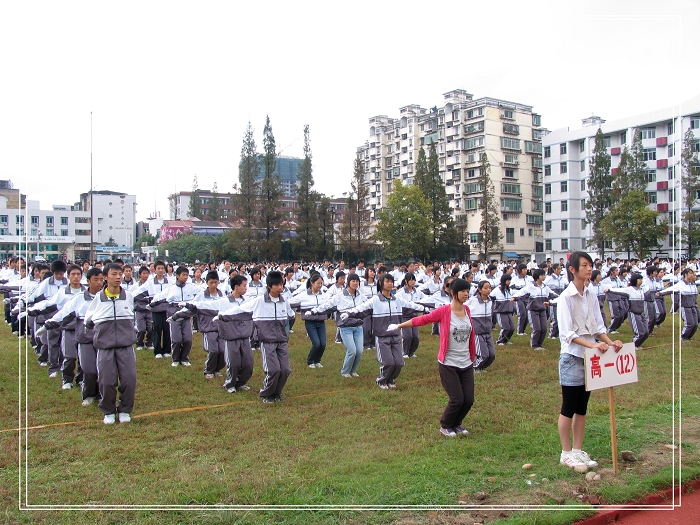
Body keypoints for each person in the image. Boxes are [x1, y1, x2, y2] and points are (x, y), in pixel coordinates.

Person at [556, 252, 622, 470]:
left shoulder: (591, 294)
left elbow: (597, 327)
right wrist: (593, 345)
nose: (589, 269)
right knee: (568, 406)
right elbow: (567, 334)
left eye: (590, 265)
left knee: (582, 407)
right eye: (584, 265)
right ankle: (566, 453)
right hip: (572, 357)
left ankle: (577, 450)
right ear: (573, 269)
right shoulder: (566, 297)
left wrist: (610, 343)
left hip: (589, 358)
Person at [389, 278, 476, 437]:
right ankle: (446, 425)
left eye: (467, 291)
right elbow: (423, 319)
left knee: (468, 399)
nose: (466, 294)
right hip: (449, 363)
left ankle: (457, 424)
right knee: (457, 399)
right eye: (463, 291)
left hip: (466, 362)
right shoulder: (444, 311)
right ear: (453, 293)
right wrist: (399, 326)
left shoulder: (467, 310)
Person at [215, 270, 294, 403]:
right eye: (277, 285)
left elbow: (291, 314)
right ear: (269, 286)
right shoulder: (259, 301)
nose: (280, 288)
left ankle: (277, 393)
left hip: (282, 341)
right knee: (273, 370)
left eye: (282, 284)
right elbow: (241, 309)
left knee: (285, 370)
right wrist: (222, 316)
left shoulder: (284, 300)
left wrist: (287, 329)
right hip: (267, 342)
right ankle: (266, 394)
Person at [341, 273, 429, 390]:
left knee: (399, 363)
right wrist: (348, 313)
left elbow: (411, 305)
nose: (390, 284)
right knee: (388, 362)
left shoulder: (397, 299)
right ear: (381, 283)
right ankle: (382, 380)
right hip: (382, 337)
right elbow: (361, 308)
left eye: (391, 282)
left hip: (396, 336)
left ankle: (390, 379)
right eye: (387, 281)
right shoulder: (375, 300)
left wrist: (425, 309)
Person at [85, 264, 137, 425]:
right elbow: (88, 320)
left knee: (129, 379)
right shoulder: (98, 298)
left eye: (120, 274)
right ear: (105, 277)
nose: (118, 277)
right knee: (106, 380)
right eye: (114, 274)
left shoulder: (128, 296)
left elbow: (132, 316)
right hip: (105, 346)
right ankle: (108, 411)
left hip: (126, 345)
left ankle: (125, 410)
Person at [306, 273, 365, 378]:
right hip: (345, 327)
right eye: (353, 281)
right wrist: (314, 311)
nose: (355, 283)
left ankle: (353, 371)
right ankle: (345, 372)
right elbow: (327, 305)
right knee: (352, 351)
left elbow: (368, 305)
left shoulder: (361, 295)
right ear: (348, 282)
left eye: (357, 281)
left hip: (358, 327)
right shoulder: (340, 296)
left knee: (359, 351)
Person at [512, 269, 559, 350]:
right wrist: (514, 298)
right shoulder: (531, 287)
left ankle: (539, 344)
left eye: (544, 275)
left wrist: (560, 298)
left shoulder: (545, 287)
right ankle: (534, 345)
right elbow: (521, 293)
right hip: (533, 311)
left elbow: (554, 295)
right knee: (537, 328)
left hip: (543, 310)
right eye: (542, 275)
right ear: (537, 277)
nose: (544, 277)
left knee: (544, 328)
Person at [289, 274, 327, 369]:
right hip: (310, 323)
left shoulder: (323, 295)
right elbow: (290, 302)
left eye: (321, 283)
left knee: (323, 344)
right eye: (318, 283)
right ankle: (310, 361)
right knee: (316, 343)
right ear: (312, 283)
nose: (320, 285)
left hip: (321, 322)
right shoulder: (304, 295)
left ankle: (317, 361)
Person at [605, 274, 651, 349]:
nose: (641, 281)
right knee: (640, 333)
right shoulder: (630, 290)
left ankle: (638, 345)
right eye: (639, 279)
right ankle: (633, 346)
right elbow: (620, 290)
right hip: (634, 313)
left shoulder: (642, 289)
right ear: (635, 280)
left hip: (641, 314)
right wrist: (609, 290)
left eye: (641, 279)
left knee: (646, 332)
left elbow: (648, 287)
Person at [660, 267, 698, 340]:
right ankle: (683, 337)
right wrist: (660, 293)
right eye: (691, 273)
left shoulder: (693, 284)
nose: (693, 275)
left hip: (693, 306)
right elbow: (671, 289)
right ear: (686, 275)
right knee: (690, 324)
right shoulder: (681, 284)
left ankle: (688, 337)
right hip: (685, 307)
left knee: (695, 324)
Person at [395, 272, 428, 359]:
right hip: (405, 316)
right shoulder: (400, 292)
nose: (413, 282)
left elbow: (425, 298)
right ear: (406, 281)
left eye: (414, 280)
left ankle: (412, 352)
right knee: (407, 336)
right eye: (411, 280)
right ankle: (405, 352)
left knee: (416, 337)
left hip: (414, 316)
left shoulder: (417, 291)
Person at [466, 281, 496, 371]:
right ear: (479, 290)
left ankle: (482, 368)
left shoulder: (490, 301)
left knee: (492, 355)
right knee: (484, 355)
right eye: (485, 288)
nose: (488, 290)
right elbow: (462, 307)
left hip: (488, 332)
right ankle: (474, 368)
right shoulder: (473, 300)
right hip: (478, 332)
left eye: (489, 288)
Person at [491, 274, 516, 346]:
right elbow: (491, 296)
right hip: (501, 312)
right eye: (508, 280)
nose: (509, 282)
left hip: (509, 311)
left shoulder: (509, 290)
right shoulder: (497, 290)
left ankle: (506, 340)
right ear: (504, 281)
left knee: (512, 328)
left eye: (510, 280)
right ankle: (500, 341)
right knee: (505, 328)